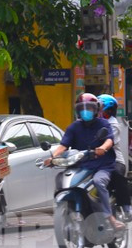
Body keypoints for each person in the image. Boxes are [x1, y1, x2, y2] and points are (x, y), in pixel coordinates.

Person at [46, 93, 123, 231]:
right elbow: (63, 145)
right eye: (82, 108)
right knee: (62, 180)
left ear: (96, 109)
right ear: (78, 110)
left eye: (89, 108)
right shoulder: (74, 127)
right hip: (81, 165)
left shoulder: (104, 124)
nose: (85, 111)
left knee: (99, 182)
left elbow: (109, 140)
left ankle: (109, 217)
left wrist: (102, 148)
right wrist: (52, 157)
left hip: (102, 166)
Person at [97, 93, 132, 220]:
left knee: (117, 175)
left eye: (99, 109)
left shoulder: (113, 124)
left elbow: (106, 143)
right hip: (94, 161)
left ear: (108, 110)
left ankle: (127, 207)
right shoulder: (91, 123)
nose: (97, 112)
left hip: (114, 160)